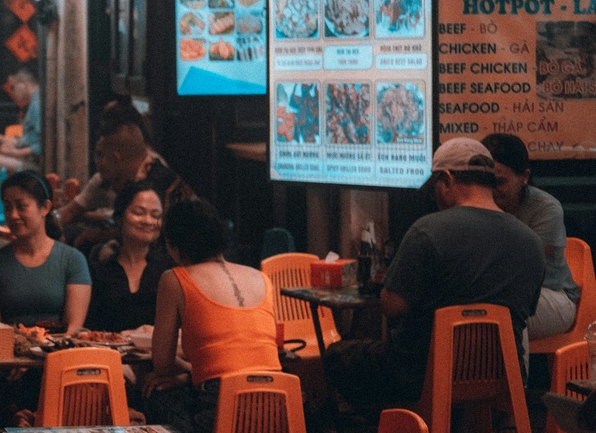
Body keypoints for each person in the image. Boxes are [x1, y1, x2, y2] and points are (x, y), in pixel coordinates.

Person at [322, 138, 545, 422]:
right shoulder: (531, 242)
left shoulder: (427, 231)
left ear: (448, 180)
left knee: (338, 356)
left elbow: (392, 305)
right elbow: (526, 309)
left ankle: (395, 424)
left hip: (420, 374)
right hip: (503, 375)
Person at [142, 198, 280, 433]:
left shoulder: (174, 279)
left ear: (174, 244)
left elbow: (162, 365)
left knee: (153, 392)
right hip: (279, 400)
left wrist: (187, 372)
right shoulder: (261, 278)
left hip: (222, 401)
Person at [482, 132, 580, 339]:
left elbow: (525, 266)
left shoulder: (546, 208)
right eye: (485, 181)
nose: (492, 189)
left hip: (554, 295)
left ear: (525, 177)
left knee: (506, 312)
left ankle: (514, 373)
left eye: (499, 181)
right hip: (499, 293)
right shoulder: (476, 201)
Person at [59, 102, 193, 243]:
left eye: (100, 155)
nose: (97, 163)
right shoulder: (130, 177)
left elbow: (143, 240)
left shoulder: (153, 188)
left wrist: (94, 237)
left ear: (117, 158)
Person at [0, 171, 91, 332]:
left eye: (21, 207)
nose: (13, 215)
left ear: (45, 207)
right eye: (8, 208)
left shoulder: (73, 260)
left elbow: (73, 327)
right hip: (8, 351)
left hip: (58, 350)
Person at [85, 180, 174, 332]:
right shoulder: (99, 271)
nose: (148, 221)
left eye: (156, 215)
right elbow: (89, 327)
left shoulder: (171, 270)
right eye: (139, 213)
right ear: (120, 217)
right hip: (109, 353)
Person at [0, 67, 42, 171]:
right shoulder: (35, 101)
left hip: (37, 163)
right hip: (31, 158)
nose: (11, 93)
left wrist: (16, 153)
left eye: (12, 87)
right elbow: (28, 140)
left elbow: (42, 144)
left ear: (23, 83)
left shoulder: (37, 104)